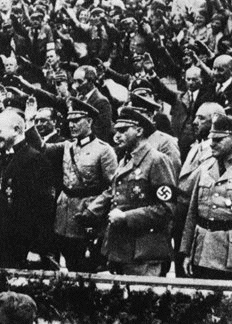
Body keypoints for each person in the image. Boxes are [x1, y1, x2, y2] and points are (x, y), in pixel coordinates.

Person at [77, 107, 176, 276]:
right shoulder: (125, 159)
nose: (117, 136)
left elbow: (167, 208)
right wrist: (91, 211)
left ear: (139, 130)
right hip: (121, 249)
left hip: (145, 251)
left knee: (143, 299)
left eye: (123, 131)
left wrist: (127, 217)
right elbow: (114, 191)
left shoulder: (157, 160)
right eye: (116, 131)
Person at [36, 98, 117, 271]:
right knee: (69, 262)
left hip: (88, 217)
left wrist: (93, 210)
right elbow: (41, 147)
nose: (72, 125)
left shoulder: (104, 150)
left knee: (86, 268)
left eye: (76, 121)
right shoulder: (67, 146)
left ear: (89, 122)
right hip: (64, 217)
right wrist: (29, 124)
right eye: (70, 121)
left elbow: (114, 187)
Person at [0, 109, 55, 268]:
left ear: (17, 130)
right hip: (2, 239)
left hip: (24, 244)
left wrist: (36, 248)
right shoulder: (3, 157)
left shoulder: (35, 160)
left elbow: (44, 209)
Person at [181, 114, 232, 279]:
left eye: (219, 140)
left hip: (228, 254)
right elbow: (192, 214)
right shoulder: (205, 168)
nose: (212, 144)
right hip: (201, 253)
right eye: (211, 139)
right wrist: (187, 252)